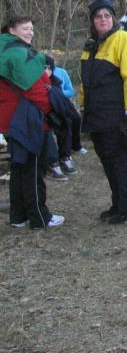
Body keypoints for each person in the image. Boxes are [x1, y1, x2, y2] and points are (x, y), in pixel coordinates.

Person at [80, 0, 127, 224]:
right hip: (97, 116)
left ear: (113, 18)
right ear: (92, 21)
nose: (103, 20)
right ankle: (118, 204)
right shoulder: (91, 45)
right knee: (108, 162)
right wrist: (84, 107)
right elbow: (86, 82)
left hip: (117, 116)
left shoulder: (125, 40)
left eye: (107, 15)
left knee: (123, 161)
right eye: (98, 16)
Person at [1, 14, 65, 229]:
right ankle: (39, 217)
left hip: (10, 119)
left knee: (19, 166)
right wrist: (52, 111)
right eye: (25, 28)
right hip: (27, 120)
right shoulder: (20, 54)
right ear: (12, 30)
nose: (30, 32)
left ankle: (18, 216)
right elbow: (36, 91)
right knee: (33, 168)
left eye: (31, 28)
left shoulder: (3, 50)